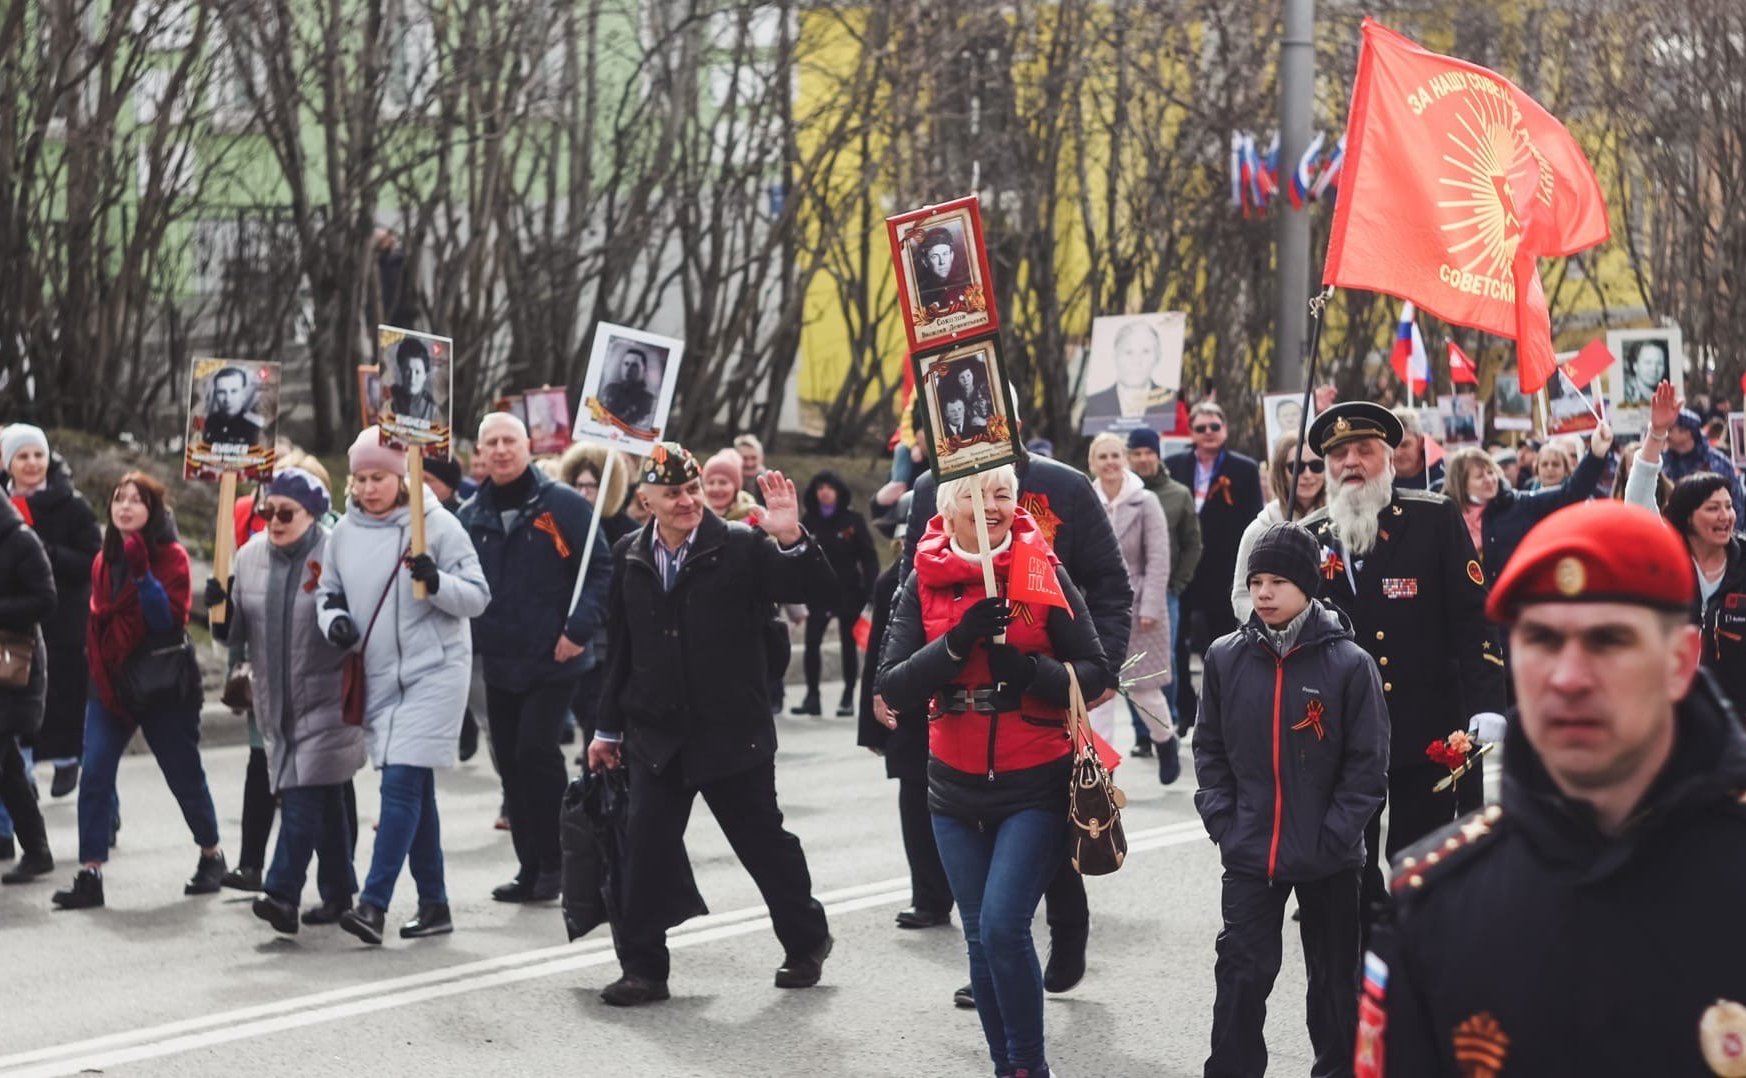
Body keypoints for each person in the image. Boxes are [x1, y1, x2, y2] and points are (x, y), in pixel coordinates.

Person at [1369, 500, 1746, 1075]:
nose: (1568, 677)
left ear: (1681, 660)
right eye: (1542, 640)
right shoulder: (1437, 906)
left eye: (1609, 640)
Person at [584, 444, 836, 1006]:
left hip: (731, 734)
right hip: (657, 736)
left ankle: (806, 941)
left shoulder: (742, 546)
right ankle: (644, 970)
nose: (688, 501)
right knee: (644, 850)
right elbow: (621, 651)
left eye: (693, 489)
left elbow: (814, 591)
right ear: (645, 500)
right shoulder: (630, 554)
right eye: (672, 493)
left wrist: (792, 539)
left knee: (763, 845)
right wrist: (606, 730)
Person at [878, 464, 1108, 1078]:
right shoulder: (921, 580)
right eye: (978, 496)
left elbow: (1096, 671)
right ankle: (1007, 1066)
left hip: (1034, 778)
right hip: (952, 788)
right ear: (950, 507)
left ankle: (1031, 1065)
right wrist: (956, 644)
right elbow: (893, 685)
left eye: (1003, 494)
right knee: (980, 937)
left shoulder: (1041, 569)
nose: (994, 506)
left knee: (1005, 926)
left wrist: (1032, 674)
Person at [902, 422, 1134, 1001]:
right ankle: (995, 964)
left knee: (1049, 821)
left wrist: (1095, 673)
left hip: (1052, 671)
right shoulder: (936, 484)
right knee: (991, 881)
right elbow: (918, 578)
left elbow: (1108, 582)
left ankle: (1066, 924)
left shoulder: (1065, 484)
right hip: (959, 710)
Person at [1297, 403, 1506, 936]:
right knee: (1350, 865)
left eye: (1364, 451)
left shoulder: (1433, 517)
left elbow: (1473, 618)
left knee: (1422, 859)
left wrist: (1486, 704)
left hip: (1427, 723)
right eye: (1338, 454)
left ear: (1390, 458)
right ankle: (1368, 964)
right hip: (1340, 732)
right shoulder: (1307, 535)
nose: (1351, 463)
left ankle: (1425, 958)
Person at [1195, 522, 1388, 1078]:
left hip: (1328, 856)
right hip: (1250, 851)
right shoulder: (1224, 658)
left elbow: (1366, 768)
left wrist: (1335, 836)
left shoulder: (1350, 664)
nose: (1264, 593)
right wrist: (1224, 822)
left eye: (1278, 580)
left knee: (1332, 986)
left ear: (1308, 586)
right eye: (1256, 581)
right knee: (1240, 975)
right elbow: (1208, 749)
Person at [318, 428, 490, 944]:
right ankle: (435, 903)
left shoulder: (437, 526)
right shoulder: (344, 533)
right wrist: (335, 623)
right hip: (377, 674)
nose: (370, 488)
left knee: (399, 786)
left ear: (403, 478)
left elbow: (478, 596)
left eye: (381, 477)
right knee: (415, 791)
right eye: (363, 478)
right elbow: (328, 594)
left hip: (435, 671)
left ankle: (373, 905)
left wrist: (437, 582)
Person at [53, 472, 228, 910]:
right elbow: (100, 620)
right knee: (94, 774)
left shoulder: (171, 557)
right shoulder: (103, 558)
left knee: (182, 773)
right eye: (118, 499)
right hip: (111, 680)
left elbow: (167, 619)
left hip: (161, 680)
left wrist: (142, 573)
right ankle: (90, 871)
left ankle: (211, 853)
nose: (125, 507)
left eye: (136, 501)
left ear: (152, 511)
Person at [457, 413, 610, 903]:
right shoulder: (470, 514)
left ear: (527, 445)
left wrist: (577, 629)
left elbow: (600, 568)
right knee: (511, 765)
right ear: (480, 453)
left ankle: (559, 863)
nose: (500, 450)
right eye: (491, 443)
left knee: (535, 754)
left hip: (554, 657)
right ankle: (530, 868)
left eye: (509, 440)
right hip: (500, 660)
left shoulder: (560, 504)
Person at [208, 469, 366, 933]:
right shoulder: (250, 555)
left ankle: (282, 893)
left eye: (285, 512)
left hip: (326, 697)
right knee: (326, 797)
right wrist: (220, 610)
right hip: (274, 701)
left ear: (313, 513)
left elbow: (353, 615)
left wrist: (343, 627)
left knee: (300, 793)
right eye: (266, 510)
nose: (272, 520)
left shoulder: (336, 552)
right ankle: (339, 893)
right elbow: (234, 634)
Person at [858, 492, 954, 930]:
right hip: (912, 717)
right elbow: (878, 659)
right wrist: (873, 730)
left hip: (965, 711)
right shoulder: (890, 584)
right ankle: (929, 897)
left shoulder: (980, 574)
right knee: (916, 809)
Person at [1, 425, 101, 798]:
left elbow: (94, 556)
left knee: (65, 705)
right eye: (22, 456)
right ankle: (20, 792)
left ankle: (72, 768)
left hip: (64, 623)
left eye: (38, 455)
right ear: (8, 463)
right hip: (15, 625)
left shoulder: (71, 503)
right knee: (18, 714)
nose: (31, 463)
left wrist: (45, 552)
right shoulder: (3, 503)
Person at [1165, 401, 1264, 732]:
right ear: (1191, 432)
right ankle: (1184, 708)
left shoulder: (1244, 468)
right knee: (1177, 640)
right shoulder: (1175, 464)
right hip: (1183, 569)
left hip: (1225, 568)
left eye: (1214, 427)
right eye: (1201, 428)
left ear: (1225, 430)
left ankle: (1222, 707)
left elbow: (1254, 519)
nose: (1208, 433)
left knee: (1225, 641)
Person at [1083, 433, 1176, 778]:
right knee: (1097, 693)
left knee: (1145, 689)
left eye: (1114, 455)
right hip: (1094, 607)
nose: (1109, 462)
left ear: (1124, 459)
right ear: (1092, 463)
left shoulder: (1145, 501)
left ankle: (1165, 740)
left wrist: (1151, 606)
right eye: (1101, 456)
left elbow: (1158, 559)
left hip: (1138, 606)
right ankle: (1101, 770)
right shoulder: (1086, 500)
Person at [1443, 421, 1613, 573]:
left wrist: (1596, 453)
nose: (1489, 479)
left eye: (1491, 472)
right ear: (1462, 483)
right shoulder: (1447, 515)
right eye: (1480, 476)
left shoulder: (1517, 504)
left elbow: (1569, 493)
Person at [1126, 427, 1201, 749]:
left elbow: (1192, 544)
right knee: (1128, 662)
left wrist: (1177, 583)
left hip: (1164, 592)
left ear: (1157, 455)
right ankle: (1142, 734)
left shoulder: (1177, 494)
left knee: (1162, 661)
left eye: (1148, 453)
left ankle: (1164, 726)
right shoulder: (1119, 494)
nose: (1143, 459)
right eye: (1137, 453)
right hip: (1125, 592)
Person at [0, 492, 57, 884]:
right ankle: (37, 850)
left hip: (13, 670)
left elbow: (45, 600)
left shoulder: (20, 539)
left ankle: (37, 850)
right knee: (7, 769)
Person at [793, 471, 880, 718]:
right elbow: (799, 556)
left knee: (848, 645)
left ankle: (847, 697)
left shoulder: (852, 520)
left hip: (849, 591)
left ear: (838, 491)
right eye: (820, 487)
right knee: (811, 643)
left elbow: (869, 556)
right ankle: (812, 696)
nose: (824, 492)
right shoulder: (809, 521)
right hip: (818, 592)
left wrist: (871, 587)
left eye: (829, 487)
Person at [1230, 433, 1326, 625]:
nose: (1307, 475)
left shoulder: (1338, 525)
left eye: (1316, 466)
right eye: (1296, 467)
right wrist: (1271, 625)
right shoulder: (1259, 529)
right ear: (1280, 472)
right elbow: (1241, 595)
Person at [1659, 404, 1746, 519]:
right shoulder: (1663, 464)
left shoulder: (1716, 463)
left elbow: (1736, 502)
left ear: (1687, 432)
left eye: (1670, 430)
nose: (1665, 435)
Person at [1083, 321, 1177, 424]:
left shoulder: (1171, 401)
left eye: (1145, 352)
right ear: (1115, 356)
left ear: (1157, 357)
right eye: (1128, 352)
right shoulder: (1095, 403)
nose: (1137, 361)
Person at [914, 227, 972, 310]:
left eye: (945, 254)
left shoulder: (968, 286)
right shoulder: (920, 296)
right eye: (935, 256)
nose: (942, 262)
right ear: (925, 261)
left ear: (952, 256)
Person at [599, 348, 656, 429]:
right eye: (626, 364)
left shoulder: (648, 400)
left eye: (634, 365)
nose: (628, 369)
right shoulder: (610, 390)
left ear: (644, 369)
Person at [204, 366, 263, 445]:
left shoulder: (254, 426)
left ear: (243, 394)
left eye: (234, 391)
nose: (228, 399)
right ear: (215, 395)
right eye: (221, 392)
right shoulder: (209, 422)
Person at [1389, 407, 1444, 492]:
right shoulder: (1376, 478)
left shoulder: (1442, 477)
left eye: (1405, 445)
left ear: (1421, 442)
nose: (1397, 453)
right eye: (1393, 445)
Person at [702, 448, 761, 522]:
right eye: (710, 483)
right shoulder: (694, 518)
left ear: (736, 487)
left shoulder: (753, 520)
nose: (716, 488)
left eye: (723, 483)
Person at [389, 339, 439, 423]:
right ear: (401, 371)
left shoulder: (433, 410)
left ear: (425, 375)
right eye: (408, 371)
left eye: (417, 372)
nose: (412, 378)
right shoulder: (390, 404)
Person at [952, 365, 995, 431]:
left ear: (972, 375)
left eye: (968, 375)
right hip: (971, 431)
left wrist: (985, 422)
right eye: (962, 377)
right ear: (958, 380)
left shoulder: (984, 389)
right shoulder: (957, 398)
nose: (966, 380)